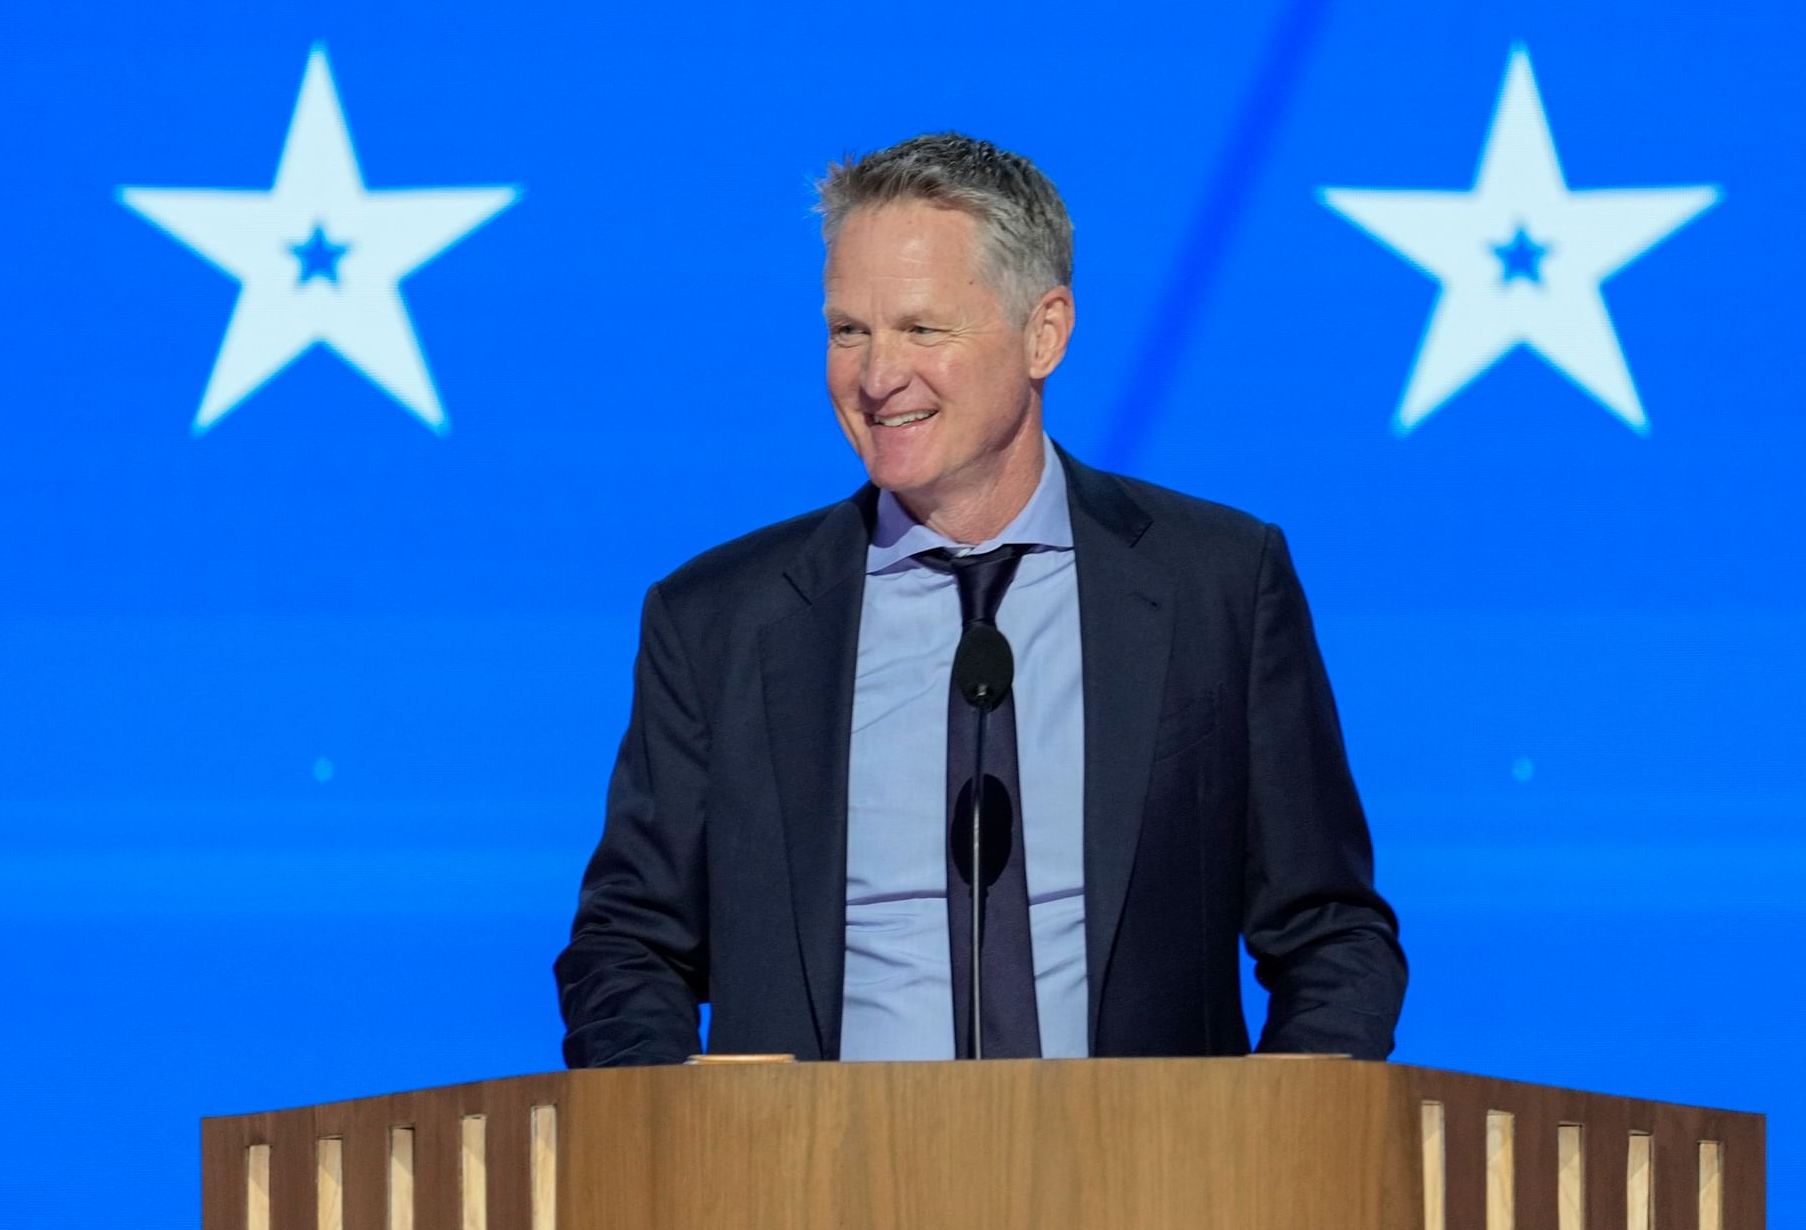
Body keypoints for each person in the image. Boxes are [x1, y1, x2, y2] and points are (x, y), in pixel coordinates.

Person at [555, 133, 1404, 1067]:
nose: (878, 377)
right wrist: (676, 1145)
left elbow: (1329, 930)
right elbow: (627, 945)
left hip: (1151, 1192)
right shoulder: (718, 621)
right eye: (849, 331)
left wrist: (1281, 1146)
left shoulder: (1218, 585)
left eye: (922, 329)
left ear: (1045, 333)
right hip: (808, 1198)